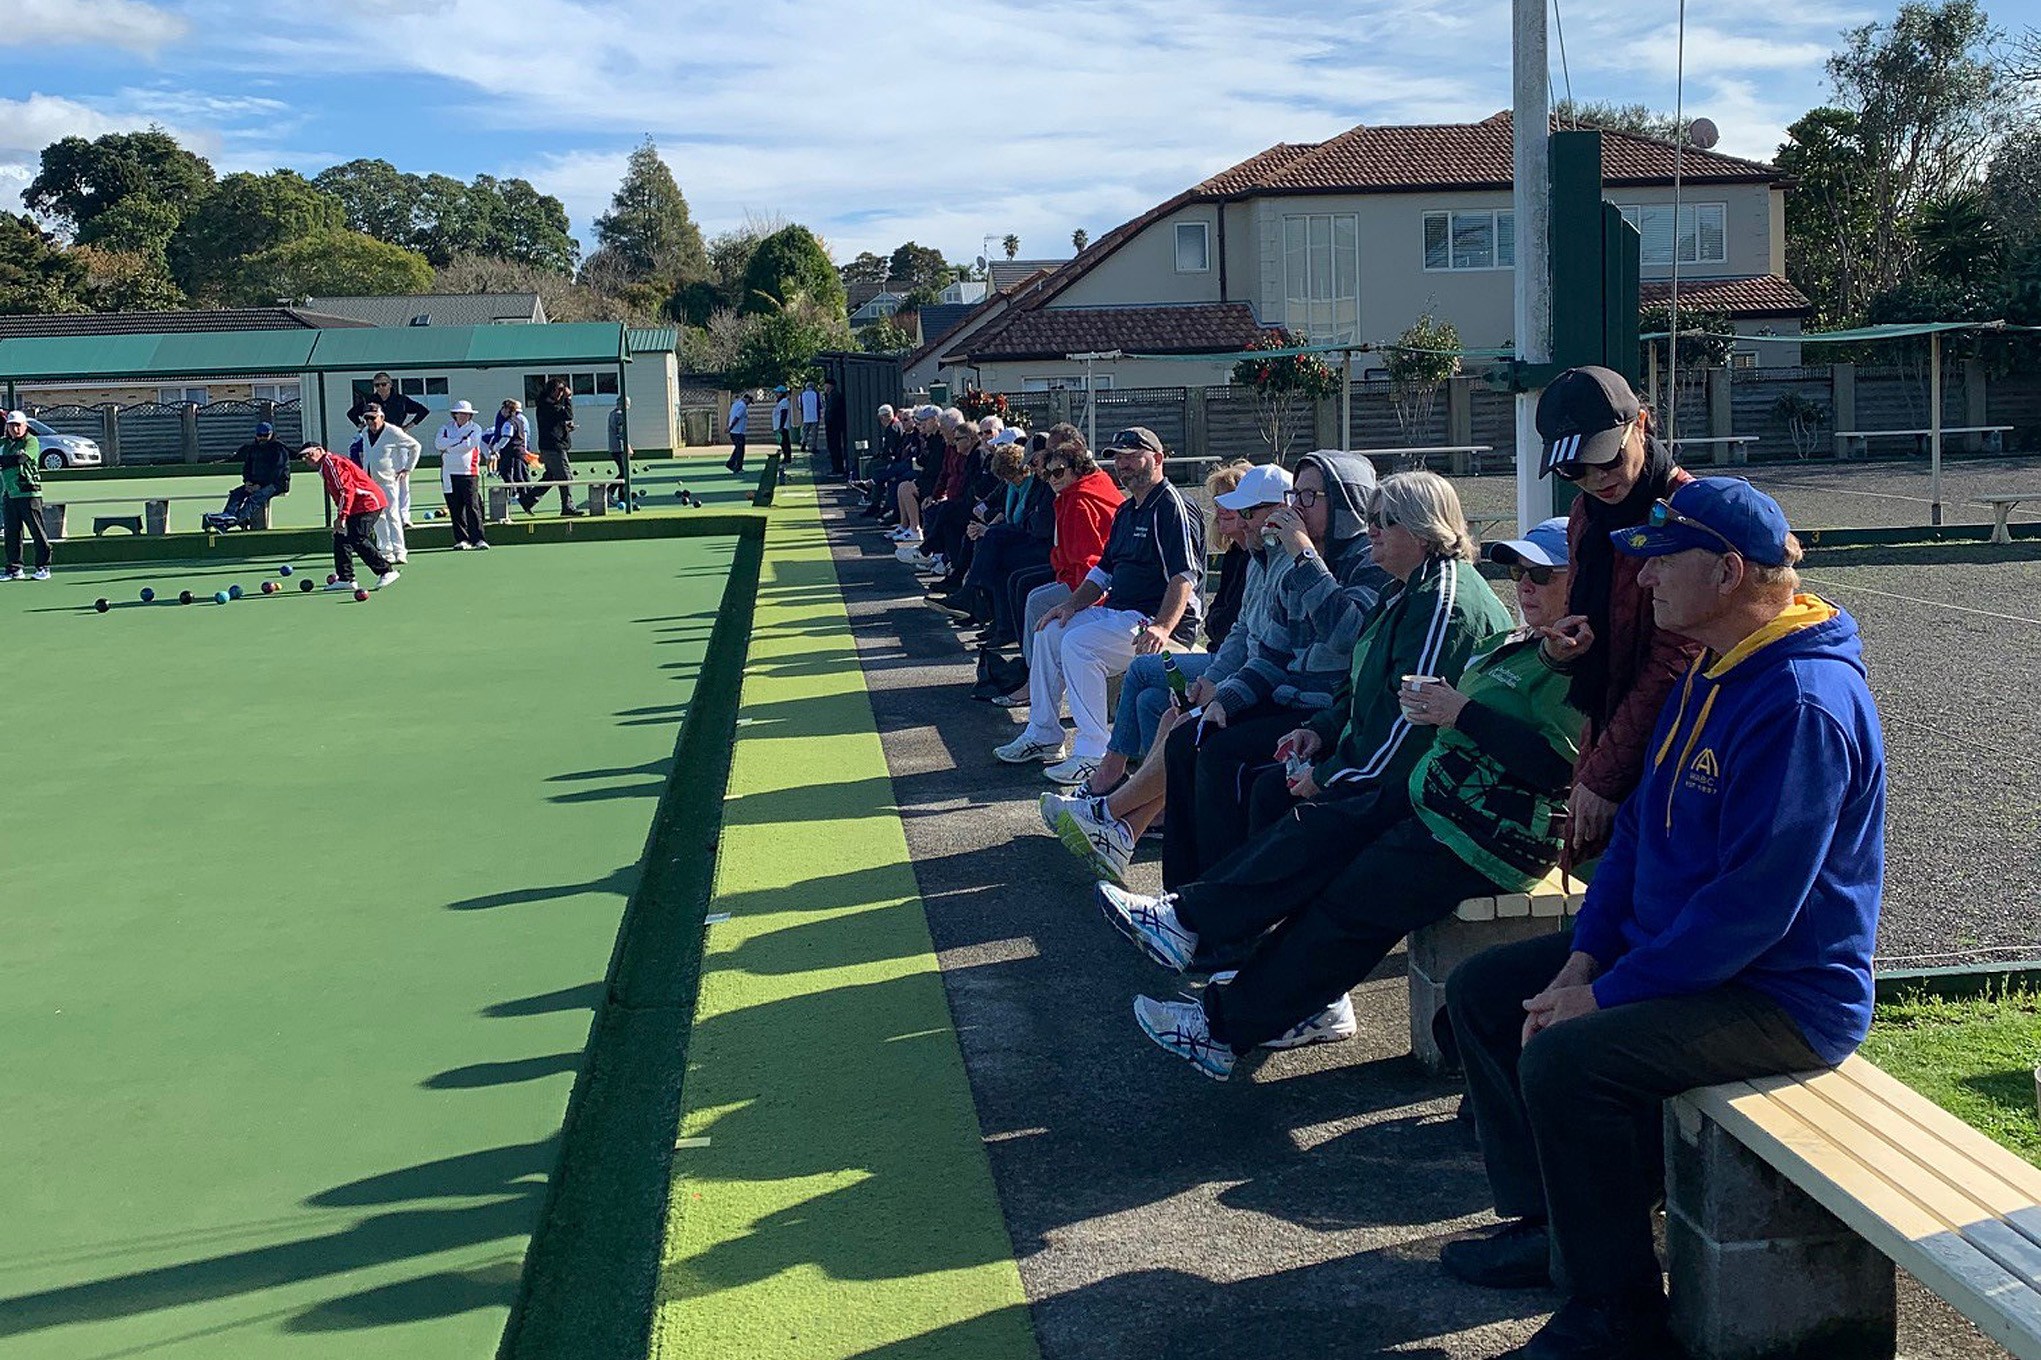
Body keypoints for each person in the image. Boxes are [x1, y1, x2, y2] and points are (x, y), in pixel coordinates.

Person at [1441, 478, 1884, 1360]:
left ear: (1726, 571)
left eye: (1659, 561)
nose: (1642, 580)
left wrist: (1606, 996)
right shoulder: (1711, 665)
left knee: (1569, 1060)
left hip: (1779, 996)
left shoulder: (1799, 701)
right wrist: (1584, 960)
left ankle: (1617, 1316)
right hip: (1689, 961)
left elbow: (1751, 910)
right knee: (1484, 992)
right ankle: (1552, 1231)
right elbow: (1639, 832)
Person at [1102, 515, 1585, 1080]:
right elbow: (1365, 691)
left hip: (1490, 836)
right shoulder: (1520, 642)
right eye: (1518, 572)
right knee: (1316, 827)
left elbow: (1562, 769)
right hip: (1439, 801)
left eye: (1542, 575)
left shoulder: (1580, 660)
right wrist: (1325, 733)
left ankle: (1219, 1021)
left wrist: (1461, 713)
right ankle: (1189, 924)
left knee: (1351, 897)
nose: (1524, 584)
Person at [1536, 366, 1699, 868]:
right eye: (1574, 469)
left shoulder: (1688, 512)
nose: (1596, 479)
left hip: (1685, 741)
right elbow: (1588, 623)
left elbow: (1677, 660)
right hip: (1609, 721)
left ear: (1642, 424)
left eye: (1606, 458)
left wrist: (1603, 776)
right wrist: (1561, 650)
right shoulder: (1586, 513)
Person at [994, 427, 1204, 788]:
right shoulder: (1127, 509)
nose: (1124, 465)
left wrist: (1163, 626)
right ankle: (1044, 734)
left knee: (1080, 645)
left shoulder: (1172, 506)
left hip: (1155, 622)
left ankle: (1094, 753)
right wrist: (1069, 606)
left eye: (1133, 456)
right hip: (1121, 613)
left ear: (1157, 459)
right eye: (1119, 458)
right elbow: (1103, 571)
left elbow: (1184, 576)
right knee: (1050, 631)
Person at [302, 442, 399, 589]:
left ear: (320, 450)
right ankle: (345, 579)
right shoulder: (325, 466)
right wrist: (343, 517)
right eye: (304, 456)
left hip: (369, 502)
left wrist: (342, 516)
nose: (307, 458)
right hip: (356, 506)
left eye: (310, 453)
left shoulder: (331, 463)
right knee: (341, 536)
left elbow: (346, 491)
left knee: (356, 537)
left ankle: (386, 571)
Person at [347, 373, 429, 527]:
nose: (381, 388)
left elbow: (423, 411)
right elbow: (351, 414)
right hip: (377, 441)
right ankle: (379, 512)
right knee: (377, 477)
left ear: (390, 384)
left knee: (402, 478)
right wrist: (362, 426)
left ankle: (404, 516)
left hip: (397, 440)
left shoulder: (401, 400)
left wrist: (407, 427)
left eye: (383, 384)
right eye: (377, 385)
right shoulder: (370, 401)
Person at [348, 403, 421, 564]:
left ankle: (400, 551)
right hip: (370, 482)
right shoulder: (365, 432)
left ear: (381, 417)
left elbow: (415, 446)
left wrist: (407, 468)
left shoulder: (393, 432)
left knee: (392, 515)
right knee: (378, 517)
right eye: (367, 418)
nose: (370, 421)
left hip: (388, 481)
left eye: (373, 418)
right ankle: (386, 550)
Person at [202, 420, 291, 532]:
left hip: (276, 483)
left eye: (265, 435)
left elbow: (276, 472)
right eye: (259, 435)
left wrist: (260, 486)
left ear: (271, 434)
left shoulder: (279, 449)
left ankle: (230, 522)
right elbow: (247, 468)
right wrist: (248, 481)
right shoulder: (253, 448)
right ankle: (228, 515)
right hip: (256, 482)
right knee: (236, 493)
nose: (262, 438)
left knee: (254, 498)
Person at [0, 411, 51, 581]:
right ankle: (14, 569)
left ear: (25, 426)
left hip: (29, 493)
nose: (15, 429)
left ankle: (43, 567)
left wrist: (3, 460)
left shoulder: (31, 441)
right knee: (11, 533)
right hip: (10, 493)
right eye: (11, 426)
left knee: (37, 531)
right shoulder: (5, 443)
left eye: (18, 425)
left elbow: (21, 459)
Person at [435, 401, 490, 549]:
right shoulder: (445, 428)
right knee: (455, 507)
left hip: (468, 473)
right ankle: (462, 539)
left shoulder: (475, 428)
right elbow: (438, 444)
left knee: (472, 506)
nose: (463, 416)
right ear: (455, 414)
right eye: (460, 413)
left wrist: (448, 448)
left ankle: (478, 539)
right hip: (448, 473)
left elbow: (468, 445)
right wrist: (458, 440)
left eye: (466, 414)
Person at [535, 377, 581, 515]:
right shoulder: (547, 406)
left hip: (551, 446)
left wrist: (566, 428)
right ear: (551, 391)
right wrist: (568, 398)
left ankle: (527, 500)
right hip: (554, 447)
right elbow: (568, 415)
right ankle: (567, 507)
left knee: (550, 476)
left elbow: (555, 423)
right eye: (559, 390)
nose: (561, 393)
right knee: (566, 477)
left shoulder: (549, 406)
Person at [485, 399, 534, 516]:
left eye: (504, 408)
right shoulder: (519, 421)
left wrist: (496, 448)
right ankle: (522, 497)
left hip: (512, 452)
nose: (502, 411)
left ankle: (516, 495)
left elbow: (506, 437)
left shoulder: (509, 423)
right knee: (518, 475)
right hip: (518, 451)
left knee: (508, 473)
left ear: (508, 410)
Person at [607, 397, 633, 509]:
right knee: (624, 473)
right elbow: (621, 433)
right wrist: (628, 447)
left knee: (623, 472)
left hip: (613, 447)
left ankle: (622, 497)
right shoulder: (620, 415)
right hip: (619, 448)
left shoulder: (612, 414)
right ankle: (609, 491)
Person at [824, 375, 849, 479]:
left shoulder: (834, 396)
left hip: (834, 427)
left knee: (835, 447)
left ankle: (838, 469)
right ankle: (836, 468)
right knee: (833, 447)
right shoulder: (832, 396)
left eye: (826, 386)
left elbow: (832, 412)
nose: (825, 388)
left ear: (831, 386)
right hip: (833, 426)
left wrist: (829, 422)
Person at [726, 389, 751, 474]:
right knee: (740, 450)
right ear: (746, 399)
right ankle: (738, 467)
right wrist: (730, 427)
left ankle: (730, 463)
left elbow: (729, 416)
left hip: (734, 432)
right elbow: (736, 417)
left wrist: (728, 426)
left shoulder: (735, 404)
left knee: (738, 448)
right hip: (738, 432)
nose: (749, 404)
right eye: (749, 401)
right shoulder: (743, 406)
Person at [799, 379, 821, 454]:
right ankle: (813, 447)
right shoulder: (816, 394)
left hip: (806, 416)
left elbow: (800, 405)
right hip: (815, 416)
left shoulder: (802, 395)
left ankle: (803, 444)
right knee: (814, 433)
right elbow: (820, 405)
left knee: (805, 432)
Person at [772, 385, 793, 462]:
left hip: (783, 426)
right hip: (779, 426)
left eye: (777, 392)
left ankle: (787, 458)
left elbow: (784, 414)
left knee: (785, 442)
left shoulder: (784, 402)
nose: (776, 394)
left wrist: (781, 426)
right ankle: (786, 457)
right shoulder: (780, 402)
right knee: (782, 442)